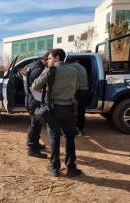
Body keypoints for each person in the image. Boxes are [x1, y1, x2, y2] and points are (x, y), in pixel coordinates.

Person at [31, 49, 83, 177]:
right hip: (69, 109)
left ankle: (54, 168)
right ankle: (71, 168)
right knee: (70, 138)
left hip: (53, 109)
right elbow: (76, 88)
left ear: (57, 57)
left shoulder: (50, 70)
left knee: (54, 137)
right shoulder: (74, 71)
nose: (48, 60)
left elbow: (35, 86)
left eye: (50, 58)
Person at [23, 52, 49, 159]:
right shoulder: (38, 70)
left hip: (31, 99)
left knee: (36, 124)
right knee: (35, 124)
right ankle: (32, 149)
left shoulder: (33, 65)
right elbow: (35, 88)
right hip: (35, 100)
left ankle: (35, 144)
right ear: (45, 60)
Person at [69, 60, 89, 136]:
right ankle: (80, 129)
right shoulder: (82, 67)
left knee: (73, 111)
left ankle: (73, 130)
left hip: (77, 90)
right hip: (84, 90)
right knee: (81, 110)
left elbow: (74, 81)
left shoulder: (72, 67)